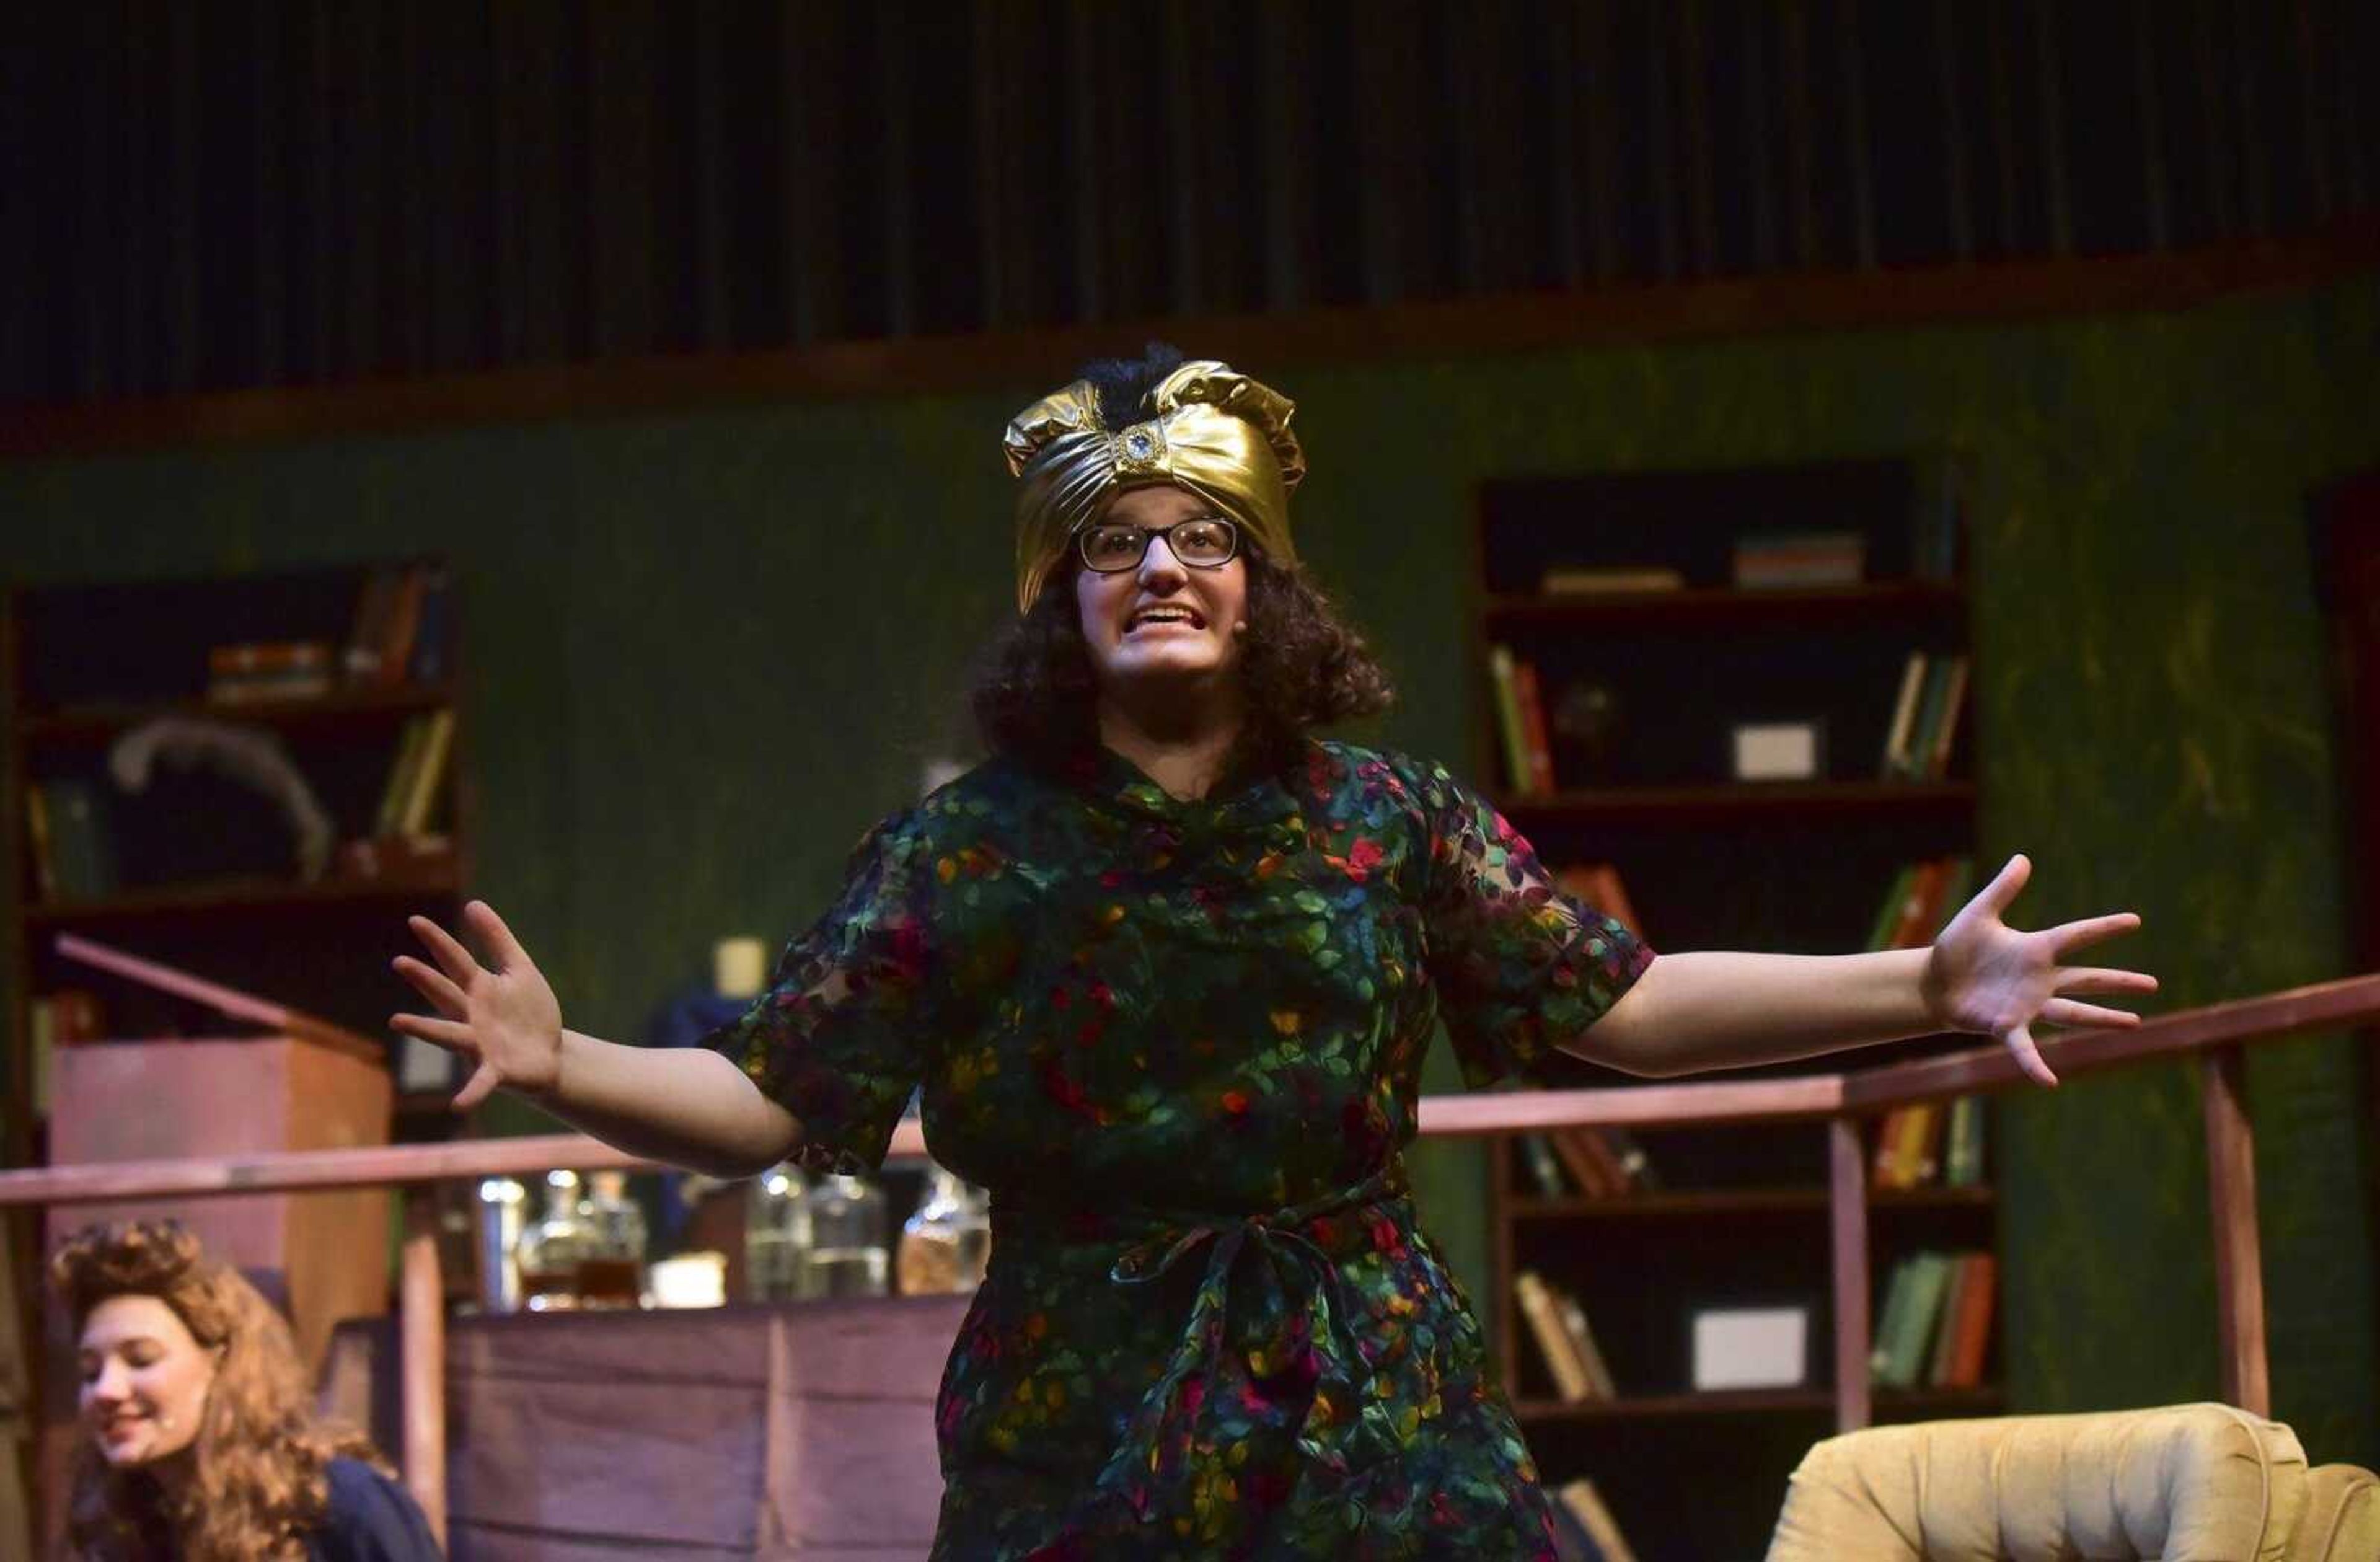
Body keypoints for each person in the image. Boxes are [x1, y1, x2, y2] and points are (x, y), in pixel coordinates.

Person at [390, 346, 2155, 1558]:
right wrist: (561, 1067)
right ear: (1065, 602)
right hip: (1080, 1403)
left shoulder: (1387, 817)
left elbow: (1620, 1001)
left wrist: (1920, 985)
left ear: (1261, 587)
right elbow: (769, 1098)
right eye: (1116, 547)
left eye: (1203, 542)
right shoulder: (967, 848)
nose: (1161, 568)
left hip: (1366, 1388)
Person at [52, 1219, 443, 1562]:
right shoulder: (123, 1525)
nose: (106, 1390)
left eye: (141, 1359)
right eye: (91, 1372)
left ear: (220, 1364)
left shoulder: (345, 1504)